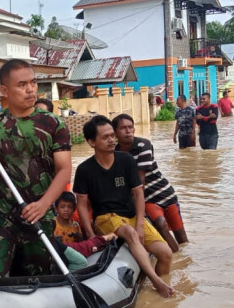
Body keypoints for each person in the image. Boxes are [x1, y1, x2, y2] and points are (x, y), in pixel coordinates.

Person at [0, 58, 72, 277]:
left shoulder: (53, 123)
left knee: (39, 277)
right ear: (4, 91)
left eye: (33, 83)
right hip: (2, 217)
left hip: (39, 214)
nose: (30, 89)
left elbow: (64, 169)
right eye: (22, 85)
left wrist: (43, 204)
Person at [74, 115, 175, 297]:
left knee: (166, 253)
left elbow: (138, 193)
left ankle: (160, 287)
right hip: (105, 217)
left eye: (112, 135)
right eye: (105, 137)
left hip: (132, 215)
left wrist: (140, 224)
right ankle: (156, 281)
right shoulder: (84, 170)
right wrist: (90, 235)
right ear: (91, 142)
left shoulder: (126, 161)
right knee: (129, 233)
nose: (112, 140)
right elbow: (81, 205)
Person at [113, 114, 188, 251]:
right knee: (161, 224)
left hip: (165, 193)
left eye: (130, 127)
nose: (128, 131)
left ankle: (184, 261)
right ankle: (175, 257)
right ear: (115, 133)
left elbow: (139, 180)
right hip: (146, 198)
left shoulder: (143, 145)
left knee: (181, 236)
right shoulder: (114, 153)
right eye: (123, 128)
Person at [53, 191, 113, 259]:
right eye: (62, 207)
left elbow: (80, 242)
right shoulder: (52, 224)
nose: (66, 210)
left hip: (73, 256)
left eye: (69, 207)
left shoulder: (75, 225)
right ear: (56, 209)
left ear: (74, 209)